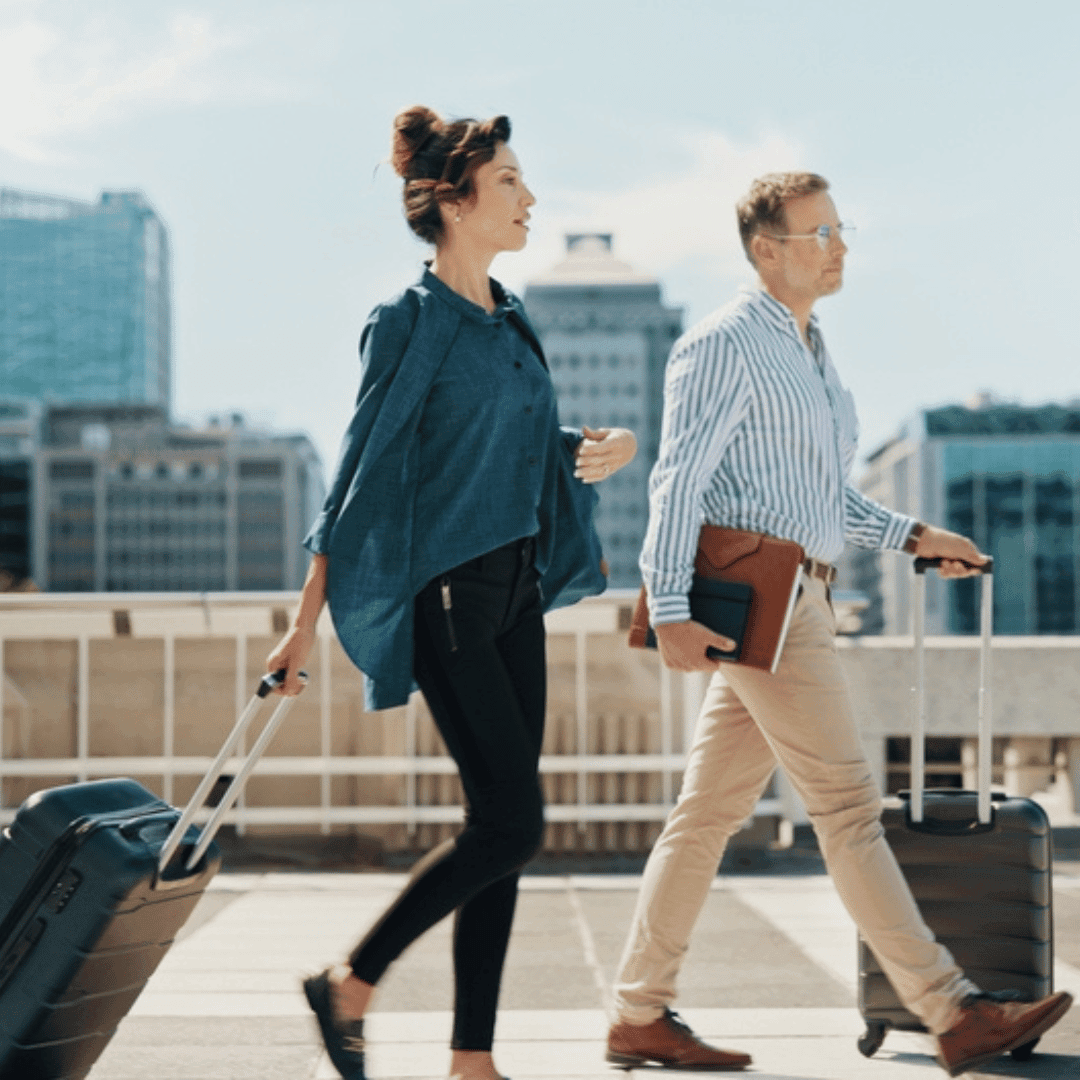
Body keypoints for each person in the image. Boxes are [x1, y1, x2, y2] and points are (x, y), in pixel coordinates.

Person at [605, 172, 1072, 1078]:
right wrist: (666, 608)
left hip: (799, 595)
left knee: (704, 817)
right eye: (819, 232)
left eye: (839, 229)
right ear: (767, 249)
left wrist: (912, 535)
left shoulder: (813, 352)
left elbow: (820, 499)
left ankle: (637, 1012)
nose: (839, 245)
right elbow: (677, 481)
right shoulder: (724, 343)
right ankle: (952, 1010)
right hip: (762, 598)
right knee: (849, 808)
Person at [266, 106, 636, 1080]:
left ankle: (473, 1057)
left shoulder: (511, 320)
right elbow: (360, 480)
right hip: (446, 596)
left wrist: (588, 450)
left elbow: (505, 449)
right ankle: (351, 981)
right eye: (509, 181)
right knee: (515, 822)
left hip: (514, 584)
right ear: (455, 201)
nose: (529, 197)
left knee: (498, 827)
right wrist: (302, 628)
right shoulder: (411, 322)